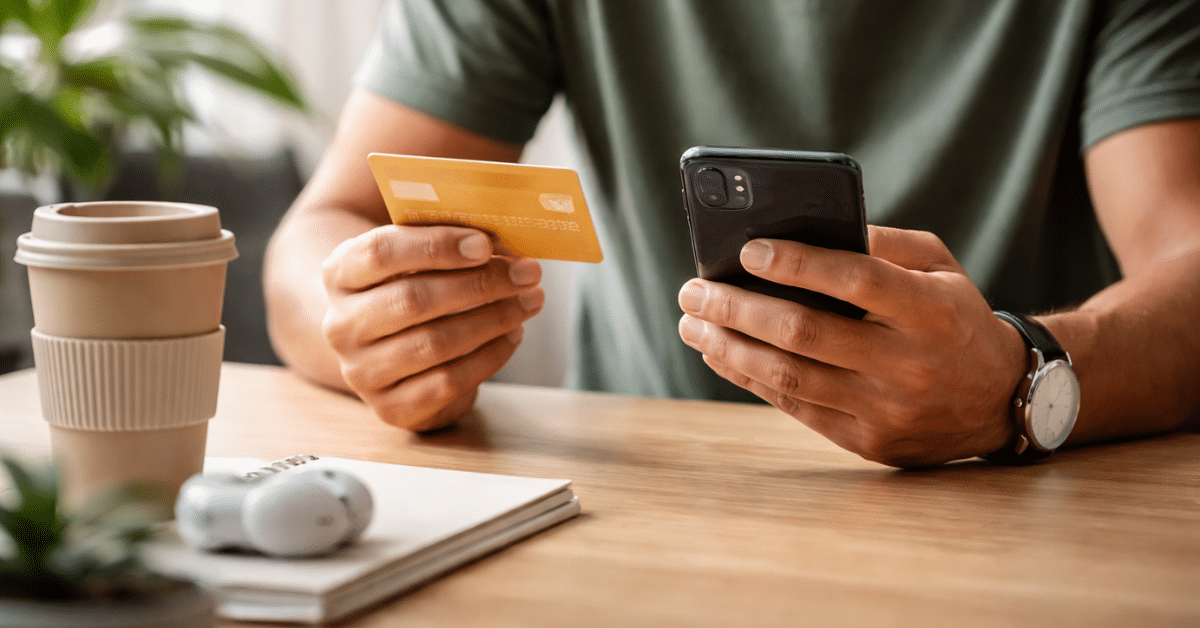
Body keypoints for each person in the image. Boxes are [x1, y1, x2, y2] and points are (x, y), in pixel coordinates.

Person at [264, 1, 1200, 468]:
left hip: (1012, 499)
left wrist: (1024, 378)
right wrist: (370, 329)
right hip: (638, 498)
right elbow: (325, 230)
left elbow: (1187, 259)